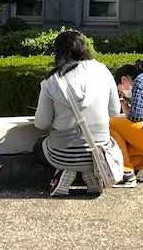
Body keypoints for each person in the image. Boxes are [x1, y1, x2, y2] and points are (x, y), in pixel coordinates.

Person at [33, 30, 122, 196]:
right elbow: (115, 111)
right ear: (84, 48)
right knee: (91, 149)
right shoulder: (103, 71)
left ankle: (65, 172)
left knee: (39, 147)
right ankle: (89, 174)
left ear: (58, 52)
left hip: (62, 154)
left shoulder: (52, 80)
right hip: (99, 153)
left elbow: (41, 124)